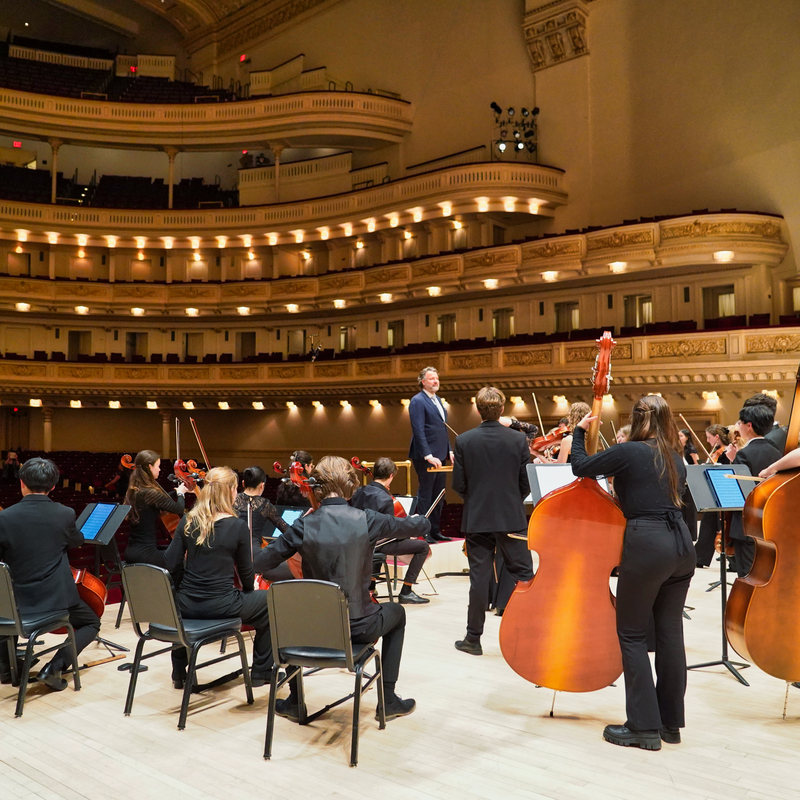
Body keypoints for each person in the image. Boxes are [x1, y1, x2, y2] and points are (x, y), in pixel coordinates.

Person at [254, 455, 430, 722]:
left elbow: (262, 562)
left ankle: (294, 701)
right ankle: (389, 700)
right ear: (350, 484)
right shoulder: (368, 519)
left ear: (318, 486)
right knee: (398, 614)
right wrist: (423, 520)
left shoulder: (303, 524)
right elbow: (417, 525)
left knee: (290, 615)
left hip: (314, 630)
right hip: (359, 628)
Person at [569, 395, 695, 751]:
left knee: (633, 634)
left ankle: (643, 727)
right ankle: (670, 724)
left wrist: (579, 433)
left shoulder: (630, 451)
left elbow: (581, 466)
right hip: (681, 545)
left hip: (647, 542)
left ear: (637, 420)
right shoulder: (675, 454)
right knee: (670, 632)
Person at [164, 467, 273, 687]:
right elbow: (245, 575)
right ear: (231, 491)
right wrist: (249, 594)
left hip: (185, 605)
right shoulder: (238, 526)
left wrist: (183, 593)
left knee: (181, 610)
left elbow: (170, 563)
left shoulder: (187, 521)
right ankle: (261, 672)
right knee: (271, 602)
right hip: (221, 604)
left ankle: (179, 673)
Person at [0, 457, 101, 690]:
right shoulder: (64, 513)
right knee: (91, 623)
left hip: (16, 602)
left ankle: (6, 669)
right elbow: (77, 541)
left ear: (22, 483)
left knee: (5, 608)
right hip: (54, 599)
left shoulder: (4, 518)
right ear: (54, 486)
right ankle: (54, 668)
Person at [451, 387, 534, 656]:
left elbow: (459, 485)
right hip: (511, 516)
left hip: (477, 518)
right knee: (524, 576)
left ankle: (473, 639)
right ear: (502, 409)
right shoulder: (518, 440)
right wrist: (510, 500)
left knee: (479, 580)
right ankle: (533, 636)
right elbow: (525, 484)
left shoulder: (464, 441)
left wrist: (476, 500)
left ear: (477, 409)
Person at [349, 457, 431, 605]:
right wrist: (409, 527)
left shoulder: (359, 491)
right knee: (422, 547)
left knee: (378, 543)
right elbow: (389, 530)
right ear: (391, 476)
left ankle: (371, 587)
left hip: (358, 540)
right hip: (377, 544)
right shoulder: (386, 499)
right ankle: (406, 591)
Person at [724, 404, 782, 578]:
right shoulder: (778, 454)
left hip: (747, 525)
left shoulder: (744, 454)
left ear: (749, 425)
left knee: (747, 575)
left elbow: (739, 493)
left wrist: (734, 461)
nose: (738, 427)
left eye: (740, 423)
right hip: (770, 523)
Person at [408, 366, 453, 543]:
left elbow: (443, 428)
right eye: (432, 378)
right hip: (426, 456)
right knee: (426, 495)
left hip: (440, 454)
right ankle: (423, 531)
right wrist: (428, 455)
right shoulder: (417, 401)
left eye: (437, 378)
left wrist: (449, 450)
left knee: (439, 495)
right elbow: (418, 430)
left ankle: (435, 530)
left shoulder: (438, 400)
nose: (436, 381)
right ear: (423, 382)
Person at [124, 450, 189, 568]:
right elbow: (179, 509)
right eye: (158, 466)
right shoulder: (150, 493)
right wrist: (181, 494)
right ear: (150, 467)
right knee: (181, 560)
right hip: (144, 553)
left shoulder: (137, 489)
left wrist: (175, 493)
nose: (159, 469)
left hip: (133, 550)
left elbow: (161, 500)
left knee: (174, 551)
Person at [695, 425, 732, 568]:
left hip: (723, 491)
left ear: (717, 437)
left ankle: (701, 557)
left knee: (713, 524)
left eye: (709, 437)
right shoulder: (717, 452)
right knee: (708, 523)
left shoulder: (726, 452)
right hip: (716, 492)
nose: (707, 440)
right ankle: (700, 557)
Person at [234, 466, 288, 547]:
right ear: (262, 485)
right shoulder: (265, 504)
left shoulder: (231, 501)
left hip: (233, 550)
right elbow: (286, 529)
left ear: (243, 483)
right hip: (254, 551)